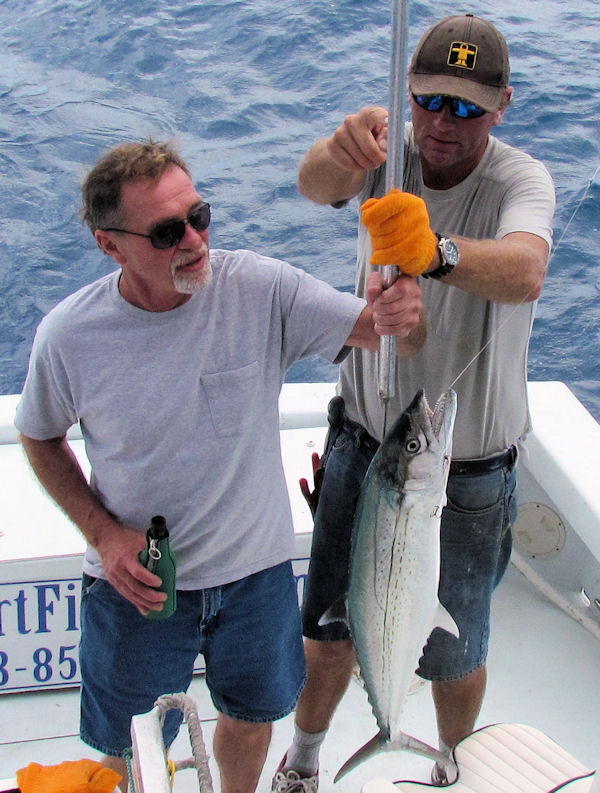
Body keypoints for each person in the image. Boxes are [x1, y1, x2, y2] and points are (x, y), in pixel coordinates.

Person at [14, 139, 426, 793]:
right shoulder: (70, 336)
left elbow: (375, 327)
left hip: (255, 575)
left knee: (252, 712)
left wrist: (396, 300)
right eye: (166, 231)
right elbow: (38, 437)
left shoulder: (259, 287)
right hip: (139, 584)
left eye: (199, 215)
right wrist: (103, 535)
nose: (195, 240)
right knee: (126, 744)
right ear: (110, 245)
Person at [275, 14, 555, 790]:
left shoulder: (518, 180)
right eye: (431, 101)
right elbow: (311, 185)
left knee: (456, 649)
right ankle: (303, 758)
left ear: (501, 105)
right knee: (330, 627)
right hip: (366, 444)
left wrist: (434, 253)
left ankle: (453, 768)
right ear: (410, 93)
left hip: (462, 473)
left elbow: (526, 270)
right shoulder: (384, 154)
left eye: (467, 108)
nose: (444, 123)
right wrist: (339, 150)